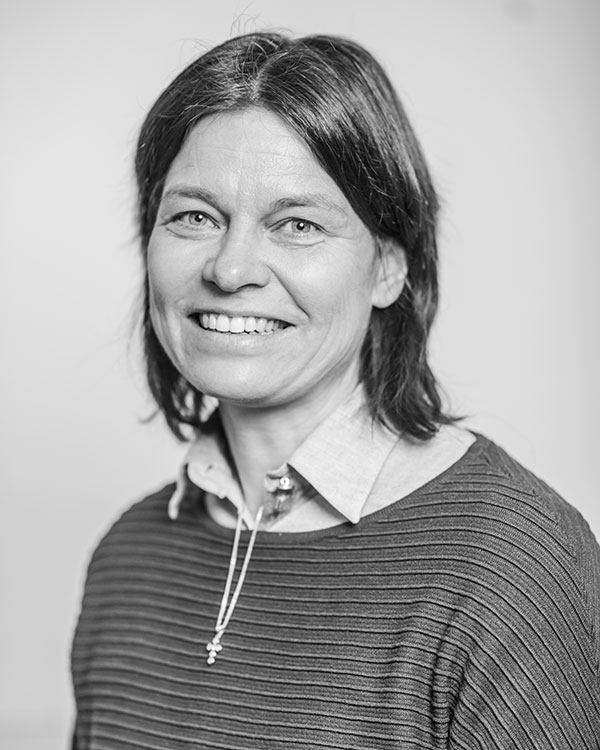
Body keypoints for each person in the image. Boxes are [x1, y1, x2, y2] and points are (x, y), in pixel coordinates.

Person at [70, 31, 600, 749]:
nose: (231, 269)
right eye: (194, 216)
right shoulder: (128, 559)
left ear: (388, 268)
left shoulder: (507, 562)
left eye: (297, 224)